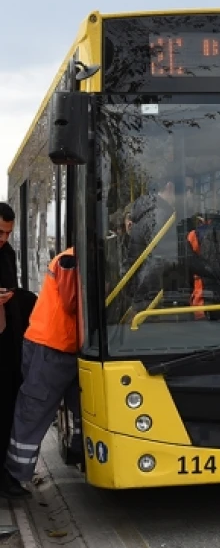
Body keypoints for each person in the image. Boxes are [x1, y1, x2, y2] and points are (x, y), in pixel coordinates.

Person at [1, 247, 81, 499]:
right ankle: (13, 475)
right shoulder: (69, 260)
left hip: (61, 346)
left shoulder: (73, 258)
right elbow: (71, 303)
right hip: (51, 347)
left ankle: (81, 453)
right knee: (33, 411)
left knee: (80, 405)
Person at [0, 203, 35, 468]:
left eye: (8, 233)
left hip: (9, 345)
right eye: (0, 232)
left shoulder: (8, 253)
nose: (4, 239)